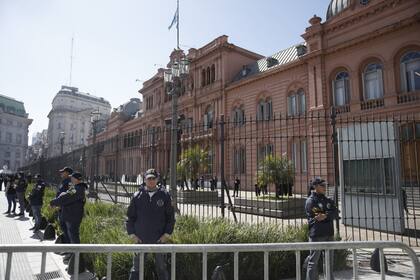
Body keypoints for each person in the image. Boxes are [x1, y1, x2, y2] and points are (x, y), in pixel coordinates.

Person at [126, 168, 175, 280]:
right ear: (145, 179)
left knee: (162, 269)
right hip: (141, 240)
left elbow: (170, 218)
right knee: (136, 270)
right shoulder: (137, 196)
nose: (151, 181)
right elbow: (130, 217)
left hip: (159, 240)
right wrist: (132, 235)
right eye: (149, 178)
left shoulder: (165, 196)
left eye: (153, 178)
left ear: (157, 179)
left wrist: (167, 235)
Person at [304, 177, 338, 280]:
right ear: (315, 187)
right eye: (322, 185)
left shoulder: (327, 200)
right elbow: (318, 215)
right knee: (313, 262)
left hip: (329, 233)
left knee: (329, 262)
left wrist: (326, 215)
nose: (325, 187)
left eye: (325, 185)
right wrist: (328, 214)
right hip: (317, 235)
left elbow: (336, 213)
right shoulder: (310, 201)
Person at [50, 172, 87, 245]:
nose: (71, 179)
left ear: (76, 179)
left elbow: (65, 198)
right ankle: (71, 253)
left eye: (72, 178)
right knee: (71, 235)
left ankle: (75, 255)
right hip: (70, 215)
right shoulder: (75, 188)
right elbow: (65, 196)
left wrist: (53, 202)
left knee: (73, 236)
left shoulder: (77, 189)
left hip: (73, 217)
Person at [55, 166, 73, 245]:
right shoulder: (64, 181)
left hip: (66, 209)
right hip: (61, 208)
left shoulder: (70, 182)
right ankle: (66, 246)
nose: (61, 173)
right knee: (63, 227)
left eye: (63, 172)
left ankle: (69, 248)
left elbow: (70, 195)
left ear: (68, 173)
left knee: (68, 229)